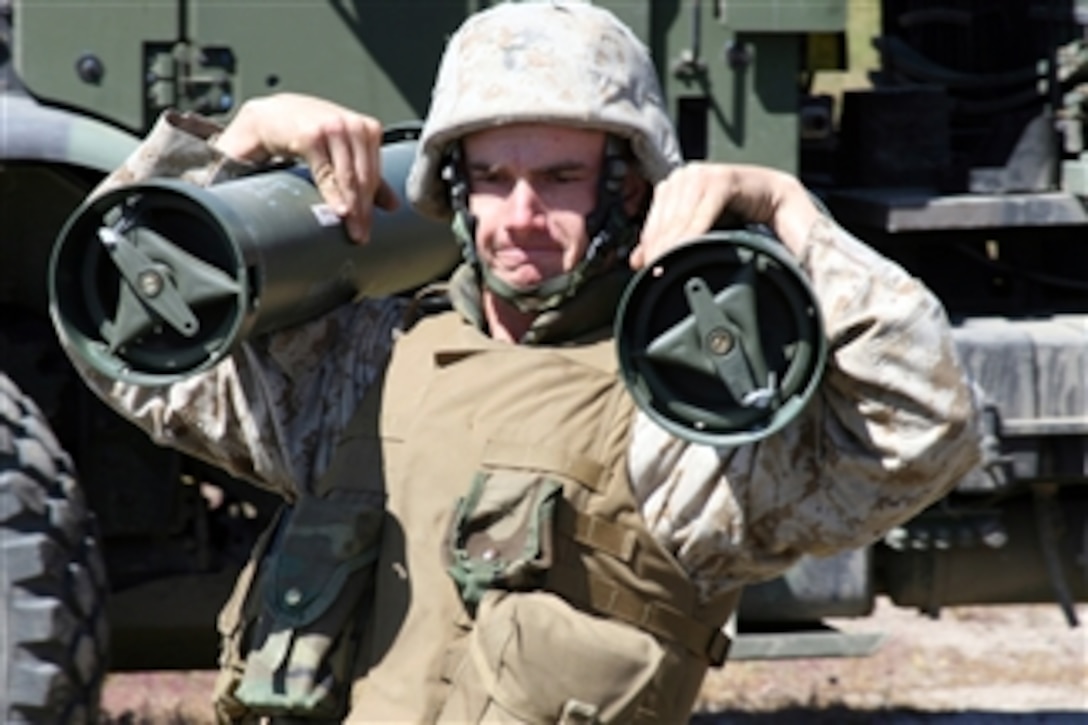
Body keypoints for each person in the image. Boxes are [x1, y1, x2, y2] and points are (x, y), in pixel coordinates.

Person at [64, 1, 982, 722]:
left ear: (629, 185)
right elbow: (126, 351)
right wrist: (231, 144)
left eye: (560, 178)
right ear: (454, 187)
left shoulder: (685, 427)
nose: (521, 217)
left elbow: (926, 428)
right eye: (494, 178)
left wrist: (787, 211)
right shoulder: (368, 364)